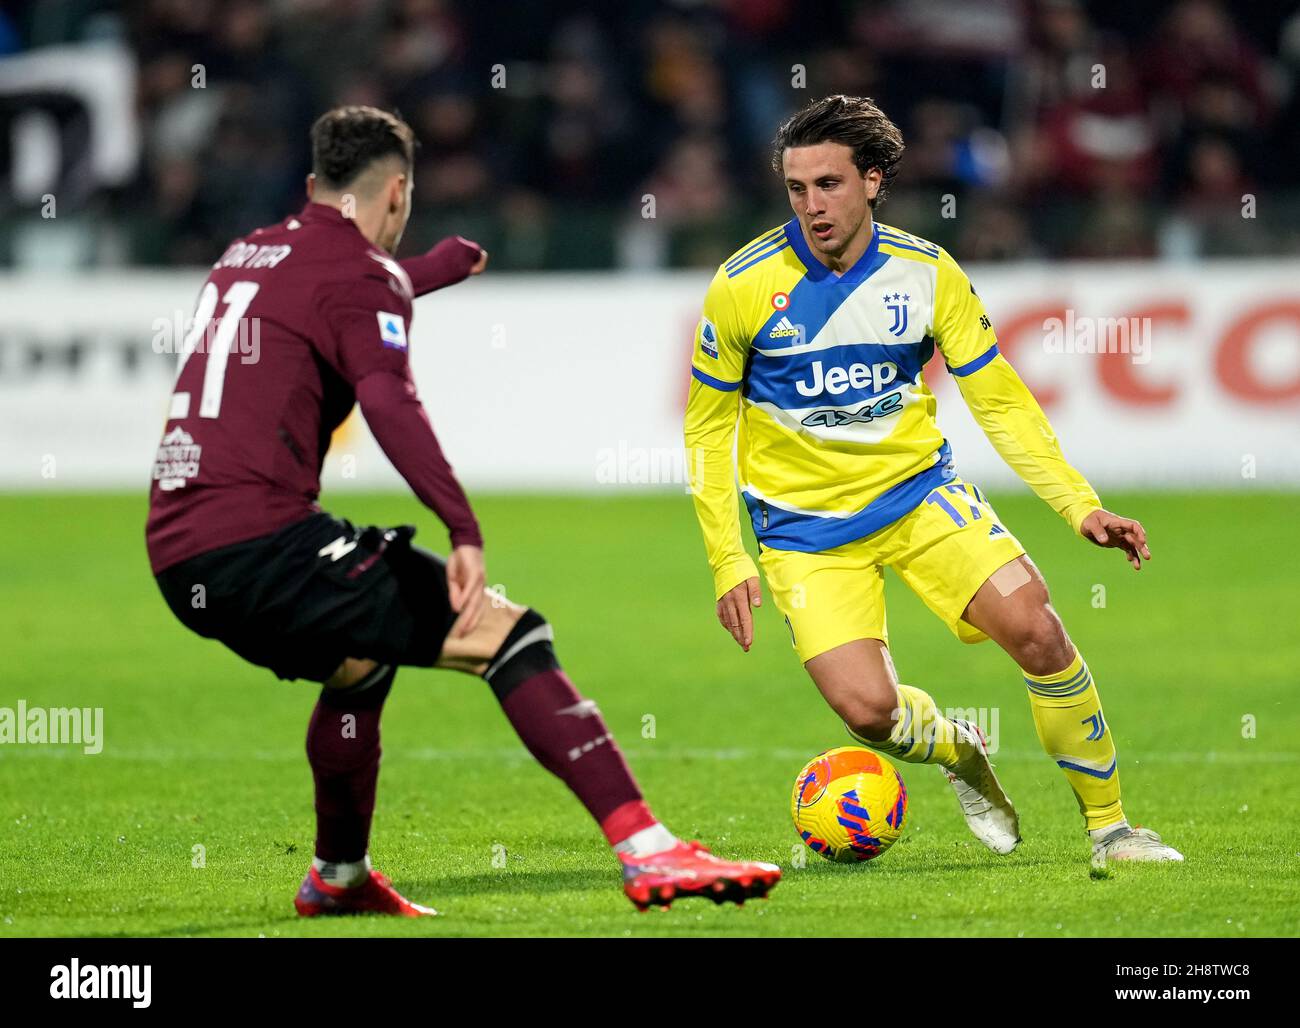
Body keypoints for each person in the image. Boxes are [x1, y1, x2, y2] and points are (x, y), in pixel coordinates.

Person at [146, 105, 780, 916]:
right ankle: (649, 851)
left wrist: (430, 269)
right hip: (261, 538)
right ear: (400, 192)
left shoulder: (246, 255)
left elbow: (328, 288)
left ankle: (337, 878)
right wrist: (463, 529)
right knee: (508, 632)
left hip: (180, 548)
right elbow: (388, 400)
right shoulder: (359, 277)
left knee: (358, 665)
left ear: (313, 187)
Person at [683, 95, 1183, 871]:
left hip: (920, 496)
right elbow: (709, 429)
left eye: (829, 184)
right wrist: (727, 556)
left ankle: (1113, 830)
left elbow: (999, 399)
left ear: (874, 180)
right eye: (796, 187)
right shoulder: (742, 285)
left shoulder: (926, 274)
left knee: (1038, 627)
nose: (811, 204)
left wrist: (1078, 504)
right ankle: (960, 749)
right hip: (805, 530)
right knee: (869, 712)